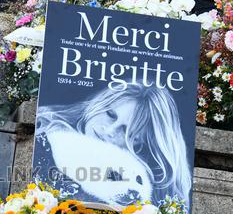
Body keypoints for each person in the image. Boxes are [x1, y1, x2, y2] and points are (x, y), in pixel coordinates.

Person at [35, 82, 192, 206]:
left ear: (141, 144)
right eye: (110, 114)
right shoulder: (45, 132)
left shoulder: (140, 186)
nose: (110, 130)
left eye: (126, 131)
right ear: (99, 104)